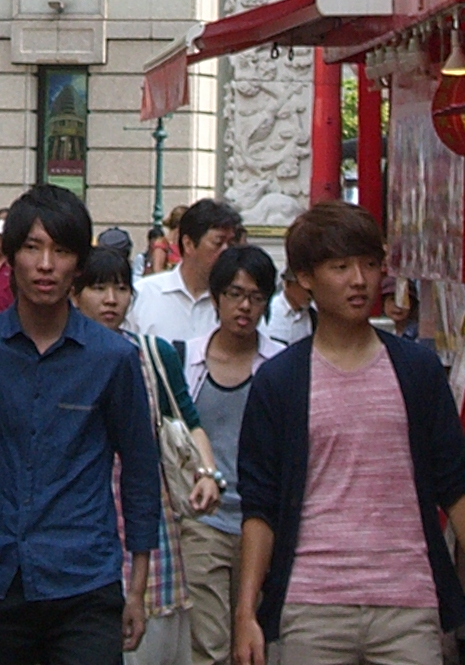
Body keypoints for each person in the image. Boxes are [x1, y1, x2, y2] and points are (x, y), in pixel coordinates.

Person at [230, 202, 465, 665]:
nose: (359, 280)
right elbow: (260, 505)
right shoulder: (280, 381)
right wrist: (246, 612)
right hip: (312, 603)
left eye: (369, 264)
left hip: (408, 600)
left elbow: (455, 484)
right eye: (340, 267)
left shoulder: (417, 370)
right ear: (306, 277)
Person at [0, 186, 161, 665]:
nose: (46, 265)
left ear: (79, 264)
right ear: (11, 256)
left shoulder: (112, 358)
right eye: (32, 248)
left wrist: (136, 588)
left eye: (62, 251)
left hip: (85, 581)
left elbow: (139, 471)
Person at [74, 245, 220, 665]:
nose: (111, 299)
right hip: (81, 521)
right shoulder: (61, 357)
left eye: (121, 288)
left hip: (147, 517)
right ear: (75, 294)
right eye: (98, 288)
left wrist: (207, 473)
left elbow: (188, 420)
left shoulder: (153, 354)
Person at [181, 245, 278, 665]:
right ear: (216, 297)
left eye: (256, 297)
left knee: (256, 643)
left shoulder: (280, 366)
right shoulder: (186, 360)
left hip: (264, 522)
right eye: (235, 294)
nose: (245, 307)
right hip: (204, 521)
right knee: (209, 644)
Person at [130, 200, 245, 348]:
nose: (226, 252)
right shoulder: (143, 295)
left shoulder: (241, 303)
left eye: (231, 244)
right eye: (218, 243)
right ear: (188, 244)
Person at [260, 263, 314, 352]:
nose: (310, 294)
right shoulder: (269, 310)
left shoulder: (313, 317)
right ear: (288, 284)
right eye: (305, 289)